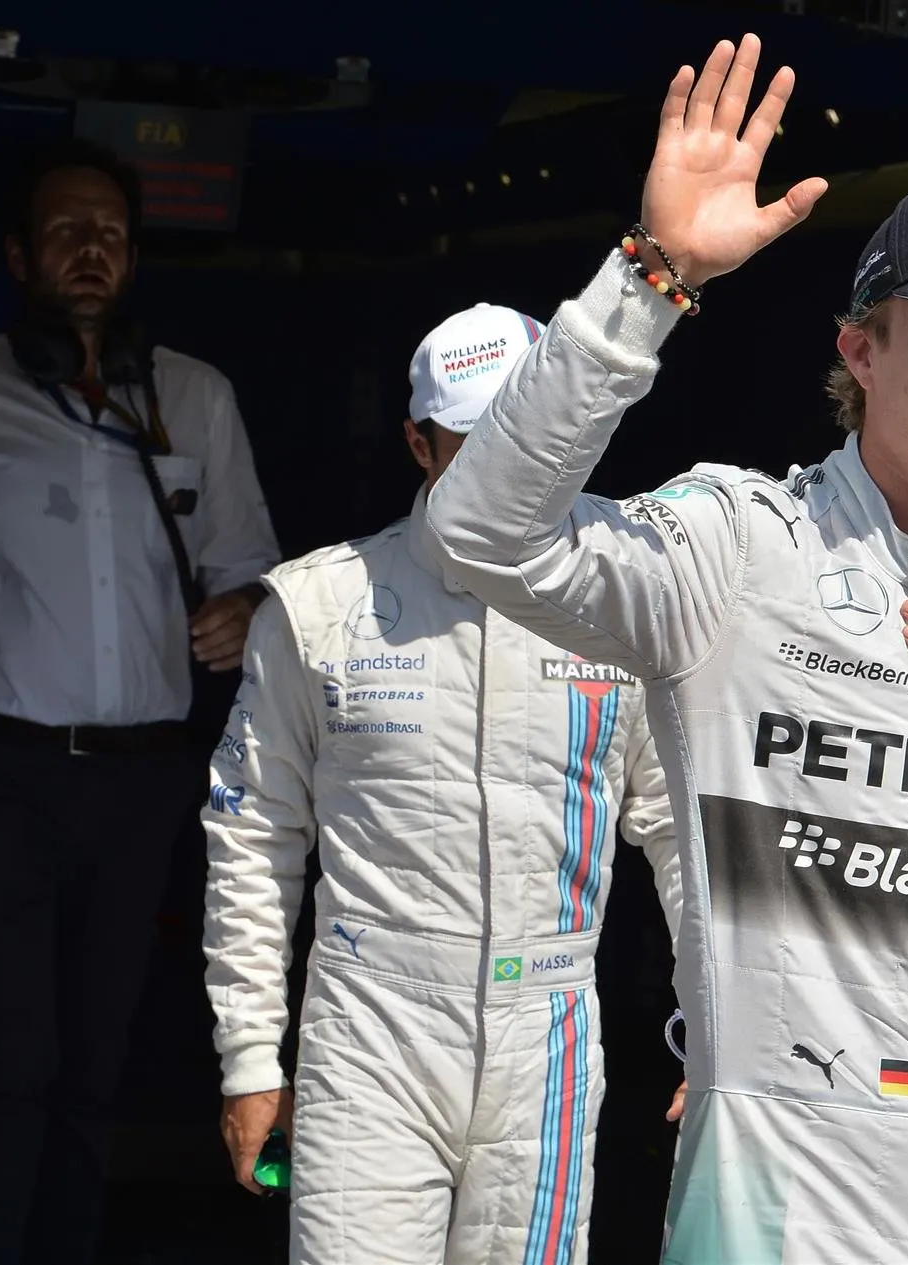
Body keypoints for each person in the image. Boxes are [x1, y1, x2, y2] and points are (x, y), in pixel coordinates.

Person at [427, 34, 908, 1265]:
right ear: (862, 349)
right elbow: (481, 534)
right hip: (782, 1190)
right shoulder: (739, 544)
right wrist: (651, 279)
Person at [200, 301, 681, 1264]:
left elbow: (683, 832)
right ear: (419, 443)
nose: (511, 468)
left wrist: (720, 1028)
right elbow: (253, 835)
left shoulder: (631, 593)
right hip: (371, 1024)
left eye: (532, 437)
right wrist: (251, 1056)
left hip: (544, 1028)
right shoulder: (320, 603)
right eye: (477, 441)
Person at [0, 140, 279, 1265]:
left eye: (112, 236)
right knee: (5, 1059)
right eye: (66, 231)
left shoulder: (196, 394)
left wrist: (242, 611)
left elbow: (255, 572)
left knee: (92, 1060)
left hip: (139, 779)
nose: (91, 252)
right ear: (18, 255)